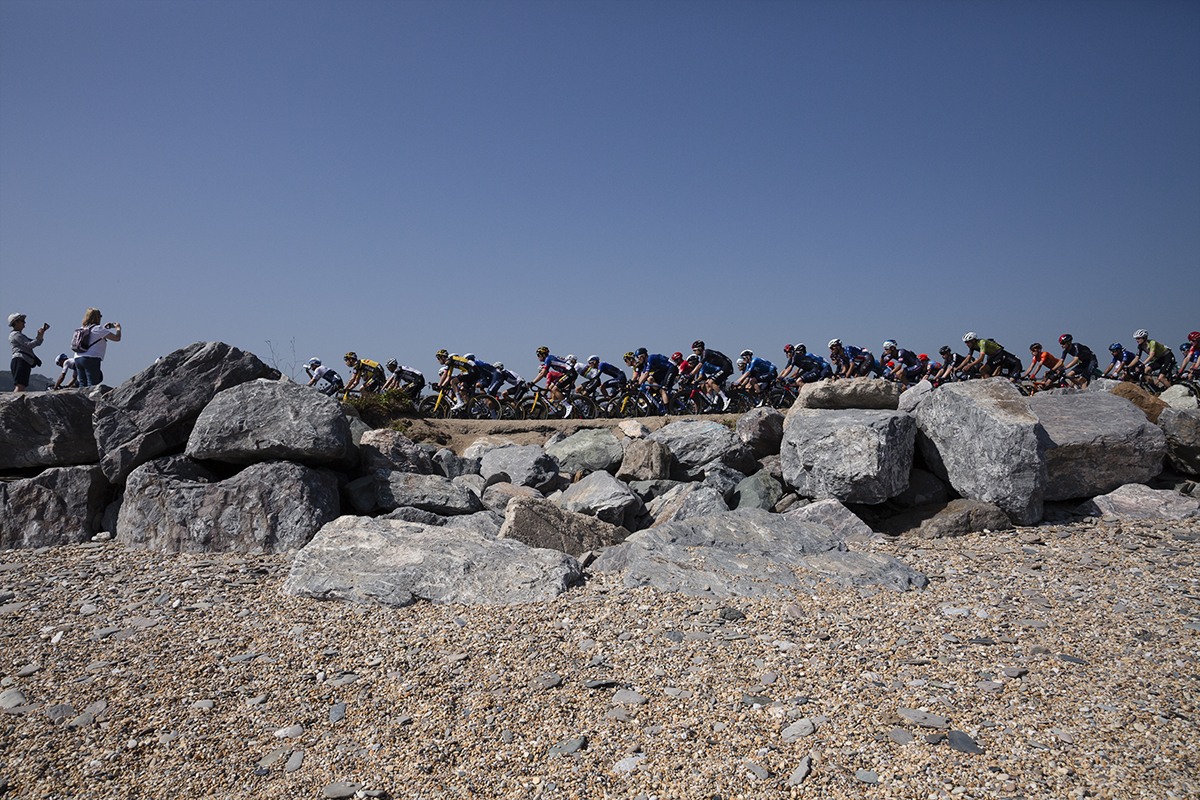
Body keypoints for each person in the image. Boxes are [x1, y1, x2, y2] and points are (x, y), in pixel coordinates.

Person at [71, 308, 121, 388]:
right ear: (97, 317)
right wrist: (118, 329)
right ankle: (90, 400)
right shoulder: (98, 329)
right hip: (91, 358)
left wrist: (104, 328)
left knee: (82, 383)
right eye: (100, 316)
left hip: (78, 358)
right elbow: (116, 338)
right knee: (92, 384)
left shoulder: (82, 328)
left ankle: (82, 400)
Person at [8, 313, 49, 392]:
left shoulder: (19, 335)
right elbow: (31, 344)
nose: (24, 322)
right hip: (20, 360)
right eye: (22, 320)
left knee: (22, 385)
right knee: (20, 385)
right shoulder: (15, 335)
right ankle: (14, 403)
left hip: (23, 361)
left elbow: (35, 342)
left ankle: (15, 403)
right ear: (15, 322)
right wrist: (39, 335)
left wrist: (41, 334)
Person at [690, 340, 734, 410]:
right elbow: (699, 369)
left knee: (711, 382)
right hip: (722, 367)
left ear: (700, 348)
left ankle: (725, 399)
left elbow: (699, 366)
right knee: (708, 382)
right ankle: (713, 403)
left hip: (726, 367)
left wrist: (690, 374)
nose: (694, 352)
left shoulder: (706, 353)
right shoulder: (702, 356)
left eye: (695, 350)